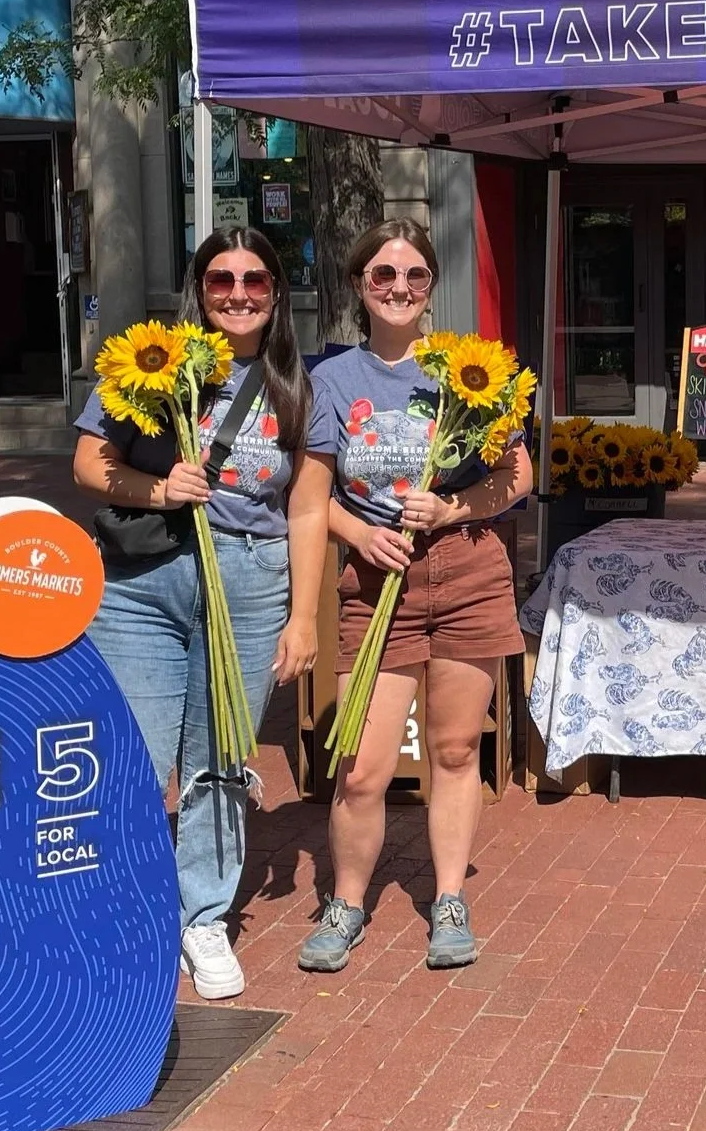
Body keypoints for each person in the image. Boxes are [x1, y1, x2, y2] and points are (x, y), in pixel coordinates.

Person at [73, 228, 329, 999]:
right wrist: (156, 490)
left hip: (249, 581)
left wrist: (304, 617)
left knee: (220, 757)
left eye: (255, 279)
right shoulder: (149, 360)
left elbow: (308, 507)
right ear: (199, 286)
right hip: (143, 582)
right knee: (137, 762)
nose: (238, 293)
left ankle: (203, 914)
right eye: (221, 279)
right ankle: (132, 905)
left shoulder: (294, 385)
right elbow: (89, 463)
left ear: (275, 292)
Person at [297, 218, 531, 973]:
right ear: (359, 286)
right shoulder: (331, 381)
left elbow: (516, 474)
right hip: (375, 586)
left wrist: (454, 508)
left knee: (456, 747)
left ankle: (450, 897)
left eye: (414, 277)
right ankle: (347, 900)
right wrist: (358, 536)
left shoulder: (468, 370)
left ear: (430, 288)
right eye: (383, 276)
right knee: (362, 766)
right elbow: (310, 496)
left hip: (465, 571)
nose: (399, 289)